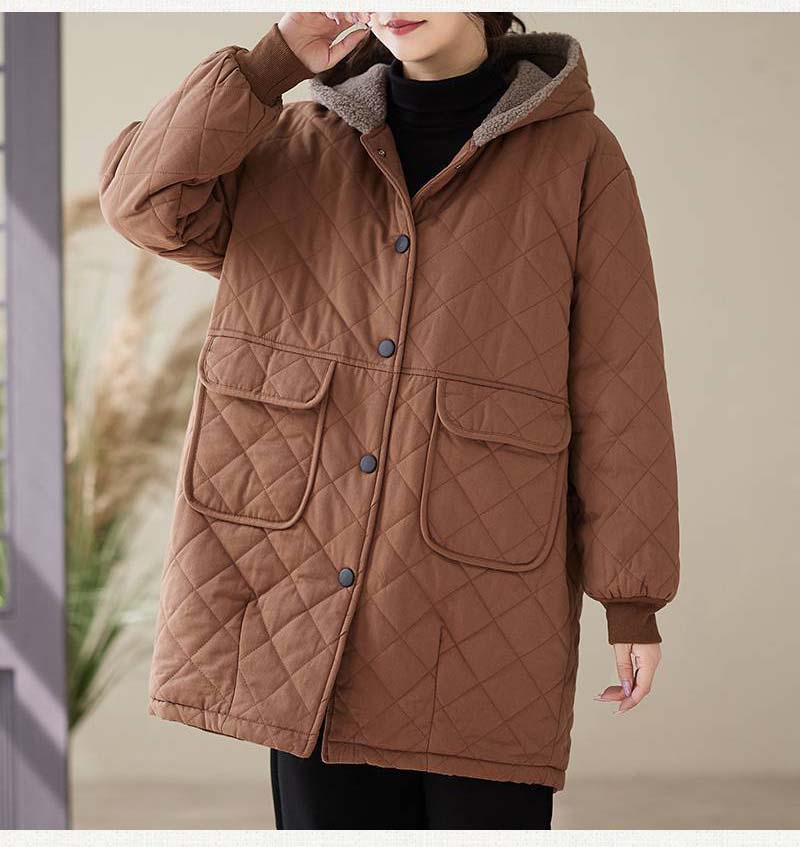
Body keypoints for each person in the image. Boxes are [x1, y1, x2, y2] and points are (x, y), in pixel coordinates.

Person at [99, 11, 680, 831]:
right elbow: (142, 203)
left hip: (483, 605)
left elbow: (620, 386)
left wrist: (632, 597)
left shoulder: (580, 157)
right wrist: (266, 68)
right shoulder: (292, 140)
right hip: (310, 617)